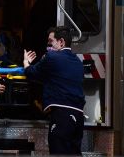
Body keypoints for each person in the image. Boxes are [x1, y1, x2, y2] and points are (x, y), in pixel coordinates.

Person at [23, 26, 85, 155]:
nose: (48, 45)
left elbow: (32, 73)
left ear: (61, 42)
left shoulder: (51, 57)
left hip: (62, 116)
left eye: (51, 41)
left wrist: (26, 63)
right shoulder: (78, 62)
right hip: (78, 118)